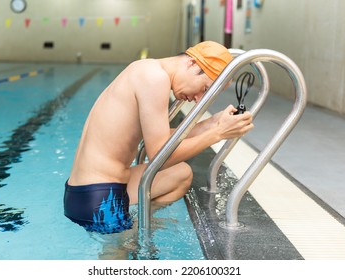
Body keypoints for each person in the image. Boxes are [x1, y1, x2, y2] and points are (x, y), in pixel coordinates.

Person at [64, 41, 254, 234]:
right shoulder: (154, 78)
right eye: (204, 89)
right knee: (119, 260)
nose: (198, 98)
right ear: (192, 64)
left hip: (87, 190)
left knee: (181, 174)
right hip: (100, 199)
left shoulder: (146, 70)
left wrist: (211, 123)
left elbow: (160, 136)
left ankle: (137, 225)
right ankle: (129, 233)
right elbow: (160, 156)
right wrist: (218, 134)